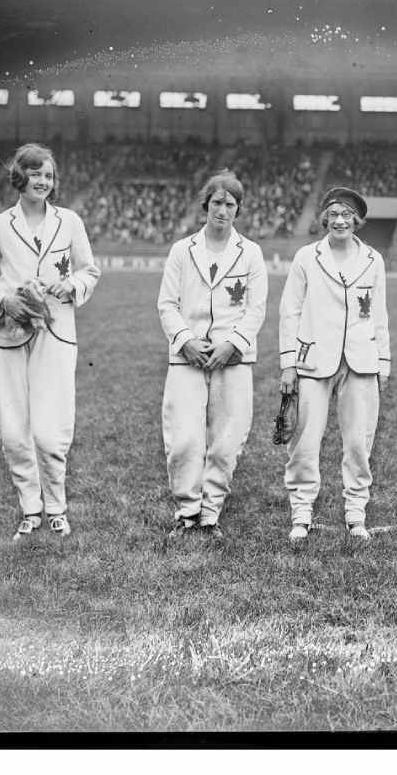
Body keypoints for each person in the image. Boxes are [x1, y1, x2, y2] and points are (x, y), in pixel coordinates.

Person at [0, 143, 101, 541]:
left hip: (56, 332)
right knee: (12, 429)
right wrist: (4, 300)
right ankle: (30, 507)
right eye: (36, 173)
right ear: (19, 177)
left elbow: (89, 271)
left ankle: (57, 506)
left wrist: (70, 283)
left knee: (50, 429)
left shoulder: (69, 222)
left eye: (49, 175)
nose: (44, 181)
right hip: (6, 334)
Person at [158, 171, 268, 542]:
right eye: (217, 202)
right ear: (206, 205)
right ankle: (187, 511)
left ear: (238, 210)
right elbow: (167, 304)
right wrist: (185, 340)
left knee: (226, 439)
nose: (223, 210)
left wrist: (232, 344)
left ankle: (210, 513)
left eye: (231, 204)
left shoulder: (250, 252)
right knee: (185, 439)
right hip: (187, 357)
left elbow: (256, 309)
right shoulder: (182, 250)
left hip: (232, 358)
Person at [279, 187, 390, 544]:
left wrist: (383, 363)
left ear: (357, 221)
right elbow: (290, 311)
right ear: (324, 218)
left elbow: (380, 315)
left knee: (359, 442)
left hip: (361, 361)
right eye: (334, 214)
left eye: (347, 215)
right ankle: (301, 513)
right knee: (304, 441)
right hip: (312, 359)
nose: (340, 220)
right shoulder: (307, 257)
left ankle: (356, 514)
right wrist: (288, 364)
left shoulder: (373, 259)